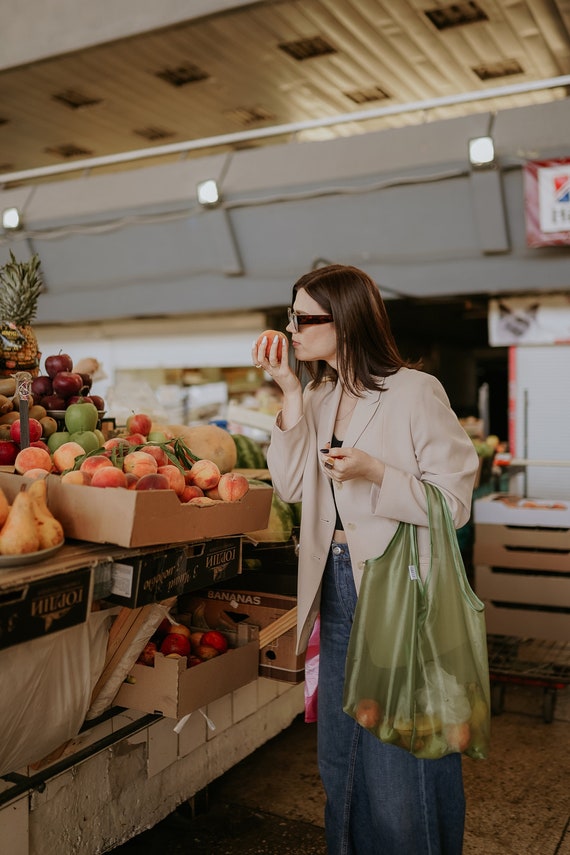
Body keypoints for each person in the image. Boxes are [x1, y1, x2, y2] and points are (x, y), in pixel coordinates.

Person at [251, 264, 479, 855]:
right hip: (334, 586)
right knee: (341, 759)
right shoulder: (319, 397)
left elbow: (453, 503)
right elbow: (295, 487)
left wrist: (376, 471)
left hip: (398, 592)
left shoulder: (414, 391)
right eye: (291, 317)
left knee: (402, 758)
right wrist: (290, 390)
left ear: (346, 321)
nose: (292, 329)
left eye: (304, 319)